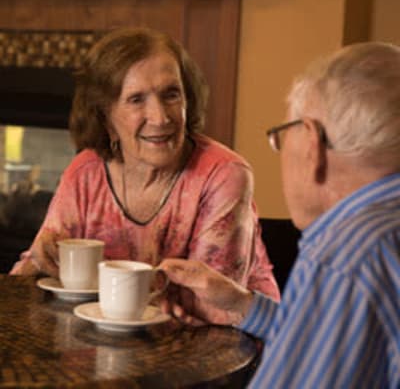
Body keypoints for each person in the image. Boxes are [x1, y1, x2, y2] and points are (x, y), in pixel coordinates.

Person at [160, 42, 400, 387]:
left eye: (282, 136)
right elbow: (328, 344)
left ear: (312, 144)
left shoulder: (347, 253)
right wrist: (243, 306)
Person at [10, 28, 280, 301]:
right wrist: (41, 260)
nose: (160, 117)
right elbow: (33, 269)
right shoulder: (86, 172)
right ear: (105, 116)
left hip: (228, 338)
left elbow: (213, 306)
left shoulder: (223, 174)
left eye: (171, 94)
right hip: (109, 334)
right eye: (136, 99)